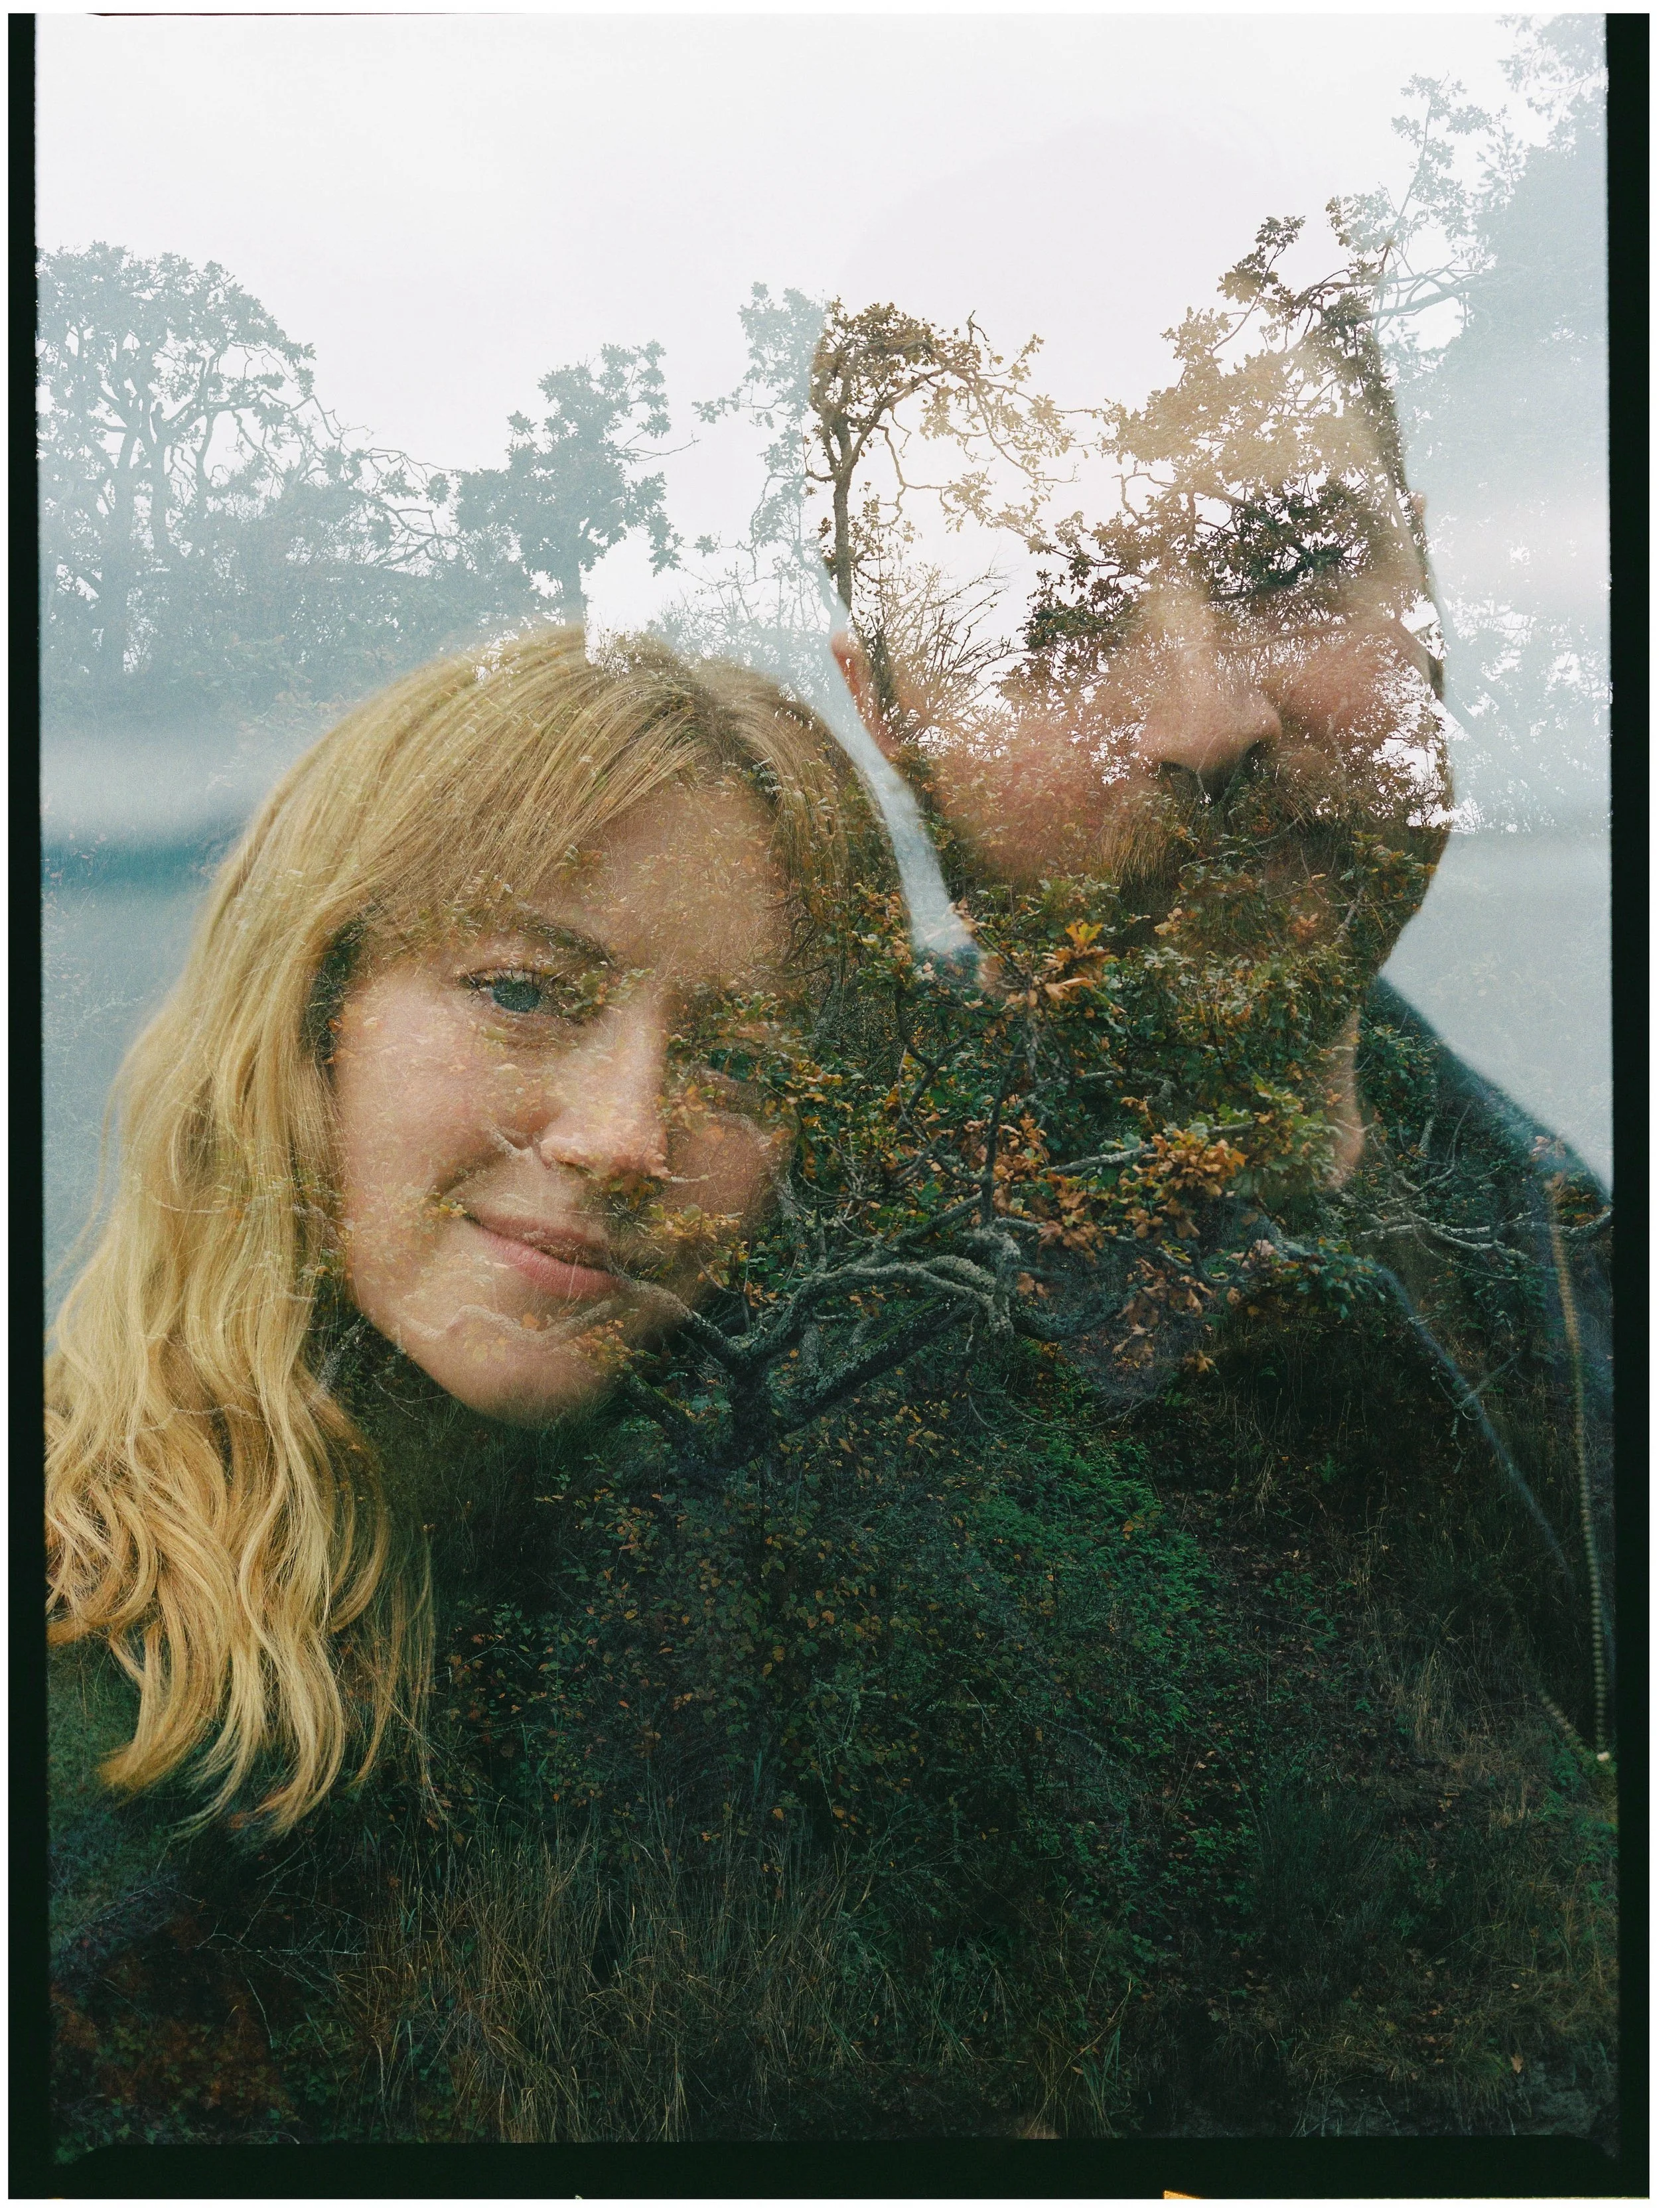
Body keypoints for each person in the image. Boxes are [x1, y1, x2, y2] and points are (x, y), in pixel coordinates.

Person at [47, 409, 1613, 2142]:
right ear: (307, 1017)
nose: (627, 1129)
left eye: (742, 1058)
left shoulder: (740, 1562)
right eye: (524, 988)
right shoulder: (88, 1704)